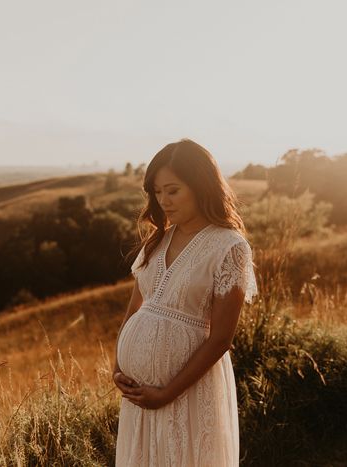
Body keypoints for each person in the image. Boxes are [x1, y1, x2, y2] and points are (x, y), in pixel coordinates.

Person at [113, 138, 258, 466]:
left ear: (200, 186)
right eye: (157, 191)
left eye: (173, 190)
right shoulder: (158, 241)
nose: (163, 200)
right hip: (139, 396)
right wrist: (118, 367)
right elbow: (135, 308)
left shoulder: (229, 247)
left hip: (186, 393)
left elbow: (221, 337)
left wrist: (166, 393)